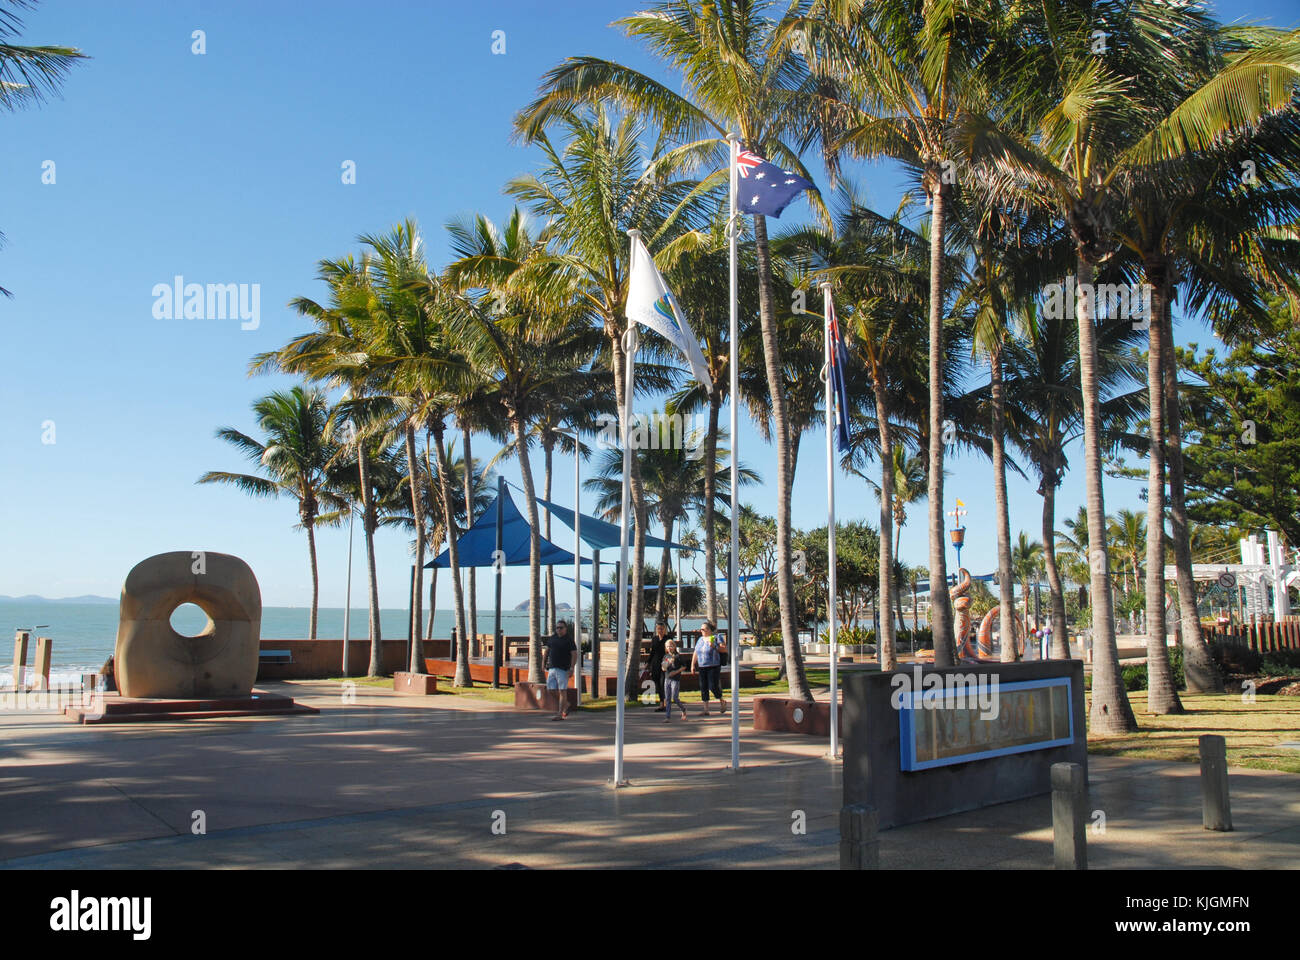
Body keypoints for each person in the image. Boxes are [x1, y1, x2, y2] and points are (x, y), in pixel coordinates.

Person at [543, 620, 577, 720]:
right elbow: (547, 651)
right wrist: (543, 663)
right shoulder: (553, 638)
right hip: (552, 668)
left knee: (562, 691)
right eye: (557, 627)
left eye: (561, 627)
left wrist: (571, 668)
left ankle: (560, 714)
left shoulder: (569, 640)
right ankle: (566, 704)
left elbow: (574, 654)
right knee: (551, 690)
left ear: (565, 629)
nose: (559, 629)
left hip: (563, 669)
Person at [691, 620, 727, 716]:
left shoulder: (716, 637)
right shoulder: (700, 639)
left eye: (704, 629)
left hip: (713, 666)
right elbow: (696, 652)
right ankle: (706, 709)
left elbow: (724, 649)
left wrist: (714, 646)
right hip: (702, 666)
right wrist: (693, 664)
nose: (702, 630)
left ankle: (721, 700)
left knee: (713, 686)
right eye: (701, 629)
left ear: (709, 630)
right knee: (703, 687)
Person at [661, 639, 687, 723]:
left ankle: (683, 709)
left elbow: (684, 666)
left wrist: (675, 672)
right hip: (667, 679)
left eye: (671, 646)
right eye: (668, 646)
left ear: (674, 646)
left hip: (675, 679)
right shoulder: (666, 656)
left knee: (675, 698)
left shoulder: (677, 656)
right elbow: (663, 668)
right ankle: (667, 717)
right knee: (667, 698)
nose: (669, 648)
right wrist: (666, 664)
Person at [649, 620, 669, 711]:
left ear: (664, 630)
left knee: (662, 683)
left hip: (664, 664)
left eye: (661, 629)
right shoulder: (655, 639)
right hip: (655, 664)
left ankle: (664, 704)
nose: (660, 630)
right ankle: (662, 703)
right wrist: (648, 663)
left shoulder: (667, 639)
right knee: (657, 683)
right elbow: (652, 652)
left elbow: (670, 651)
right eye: (658, 629)